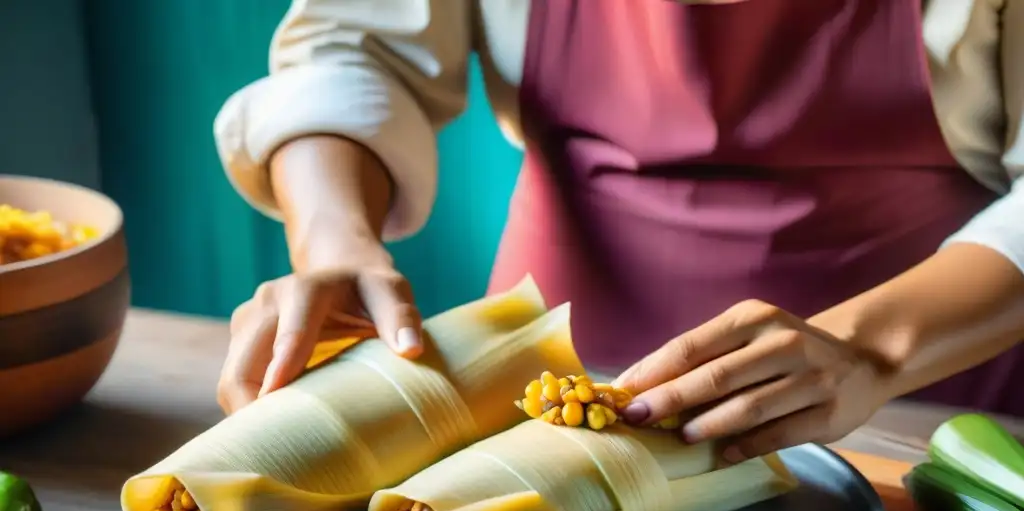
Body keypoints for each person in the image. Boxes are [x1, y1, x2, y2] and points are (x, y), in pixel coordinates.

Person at [212, 0, 1024, 463]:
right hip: (546, 377)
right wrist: (333, 237)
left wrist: (871, 350)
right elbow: (356, 50)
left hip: (921, 401)